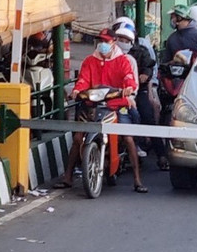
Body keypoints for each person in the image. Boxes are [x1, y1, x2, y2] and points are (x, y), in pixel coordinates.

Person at [55, 28, 146, 193]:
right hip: (91, 104)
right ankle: (67, 176)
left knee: (128, 138)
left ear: (113, 42)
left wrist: (128, 88)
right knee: (77, 138)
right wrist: (77, 90)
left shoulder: (123, 60)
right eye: (100, 41)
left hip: (116, 104)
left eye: (106, 41)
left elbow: (129, 78)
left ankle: (137, 179)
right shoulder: (90, 61)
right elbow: (83, 79)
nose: (103, 44)